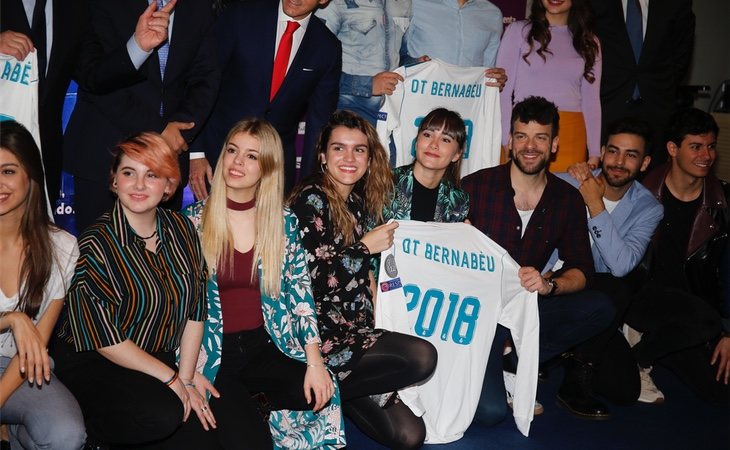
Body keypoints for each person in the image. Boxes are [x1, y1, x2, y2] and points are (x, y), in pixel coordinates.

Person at [183, 118, 345, 449]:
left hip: (266, 344)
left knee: (324, 390)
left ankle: (259, 405)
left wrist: (314, 362)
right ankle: (248, 410)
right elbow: (175, 307)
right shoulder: (191, 223)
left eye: (251, 156)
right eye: (232, 151)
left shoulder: (283, 222)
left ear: (268, 167)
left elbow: (301, 295)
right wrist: (187, 371)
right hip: (215, 355)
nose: (237, 162)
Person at [53, 133, 219, 449]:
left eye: (152, 174)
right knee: (162, 414)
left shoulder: (183, 229)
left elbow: (196, 310)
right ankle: (95, 438)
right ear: (115, 181)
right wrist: (171, 380)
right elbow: (103, 337)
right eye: (129, 173)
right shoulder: (95, 242)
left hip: (155, 359)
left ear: (170, 185)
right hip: (96, 361)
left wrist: (184, 379)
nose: (139, 185)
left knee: (204, 434)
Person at [289, 110, 437, 449]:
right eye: (339, 148)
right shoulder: (309, 199)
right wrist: (363, 249)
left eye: (359, 150)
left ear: (370, 159)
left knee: (410, 436)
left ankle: (335, 392)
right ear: (323, 156)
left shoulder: (356, 200)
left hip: (353, 333)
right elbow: (310, 284)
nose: (349, 157)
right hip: (317, 338)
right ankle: (295, 392)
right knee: (421, 356)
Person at [462, 96, 615, 421]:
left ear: (554, 144)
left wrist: (550, 285)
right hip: (479, 315)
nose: (529, 146)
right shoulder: (476, 187)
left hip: (527, 307)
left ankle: (517, 363)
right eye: (521, 136)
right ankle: (494, 362)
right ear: (510, 141)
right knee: (490, 414)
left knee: (600, 306)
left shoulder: (567, 199)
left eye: (540, 137)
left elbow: (582, 269)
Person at [63, 0, 220, 232]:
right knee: (102, 261)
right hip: (105, 159)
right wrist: (137, 47)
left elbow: (205, 77)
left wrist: (180, 130)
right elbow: (92, 77)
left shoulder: (199, 6)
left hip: (168, 162)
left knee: (159, 262)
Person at [553, 117, 663, 405]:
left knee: (624, 391)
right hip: (549, 286)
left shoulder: (648, 208)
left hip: (595, 298)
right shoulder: (565, 182)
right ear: (601, 152)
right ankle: (571, 371)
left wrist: (594, 203)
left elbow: (621, 265)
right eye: (613, 151)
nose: (618, 161)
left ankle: (576, 358)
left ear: (645, 162)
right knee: (619, 288)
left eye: (631, 155)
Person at [627, 108, 730, 403]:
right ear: (673, 149)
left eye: (710, 146)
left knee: (721, 391)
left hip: (695, 313)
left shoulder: (723, 203)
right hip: (645, 301)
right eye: (696, 146)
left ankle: (659, 344)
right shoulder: (640, 192)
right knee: (704, 321)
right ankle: (639, 356)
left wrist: (729, 333)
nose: (706, 155)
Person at [189, 0, 341, 197]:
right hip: (218, 156)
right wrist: (196, 152)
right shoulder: (241, 15)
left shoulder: (327, 47)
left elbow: (318, 124)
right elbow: (203, 81)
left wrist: (306, 187)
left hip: (274, 170)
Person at [0, 121, 85, 450]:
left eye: (8, 171)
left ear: (30, 175)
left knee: (65, 434)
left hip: (24, 369)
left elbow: (35, 350)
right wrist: (12, 318)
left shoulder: (62, 247)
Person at [588, 0, 695, 169]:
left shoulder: (675, 5)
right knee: (602, 177)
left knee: (652, 180)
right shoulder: (596, 4)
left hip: (656, 108)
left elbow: (680, 58)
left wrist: (658, 88)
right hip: (606, 107)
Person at [497, 0, 602, 172]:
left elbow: (591, 100)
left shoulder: (590, 41)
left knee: (564, 196)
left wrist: (595, 152)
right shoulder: (518, 31)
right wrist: (505, 141)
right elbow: (503, 92)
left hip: (570, 134)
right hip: (525, 127)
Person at [0, 0, 89, 203]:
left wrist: (138, 46)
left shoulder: (75, 7)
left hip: (43, 163)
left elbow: (92, 74)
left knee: (37, 234)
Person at [315, 0, 410, 126]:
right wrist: (368, 85)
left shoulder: (406, 3)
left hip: (391, 113)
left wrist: (416, 64)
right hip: (347, 110)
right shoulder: (334, 3)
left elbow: (400, 55)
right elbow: (315, 68)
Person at [384, 107, 469, 222]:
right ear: (416, 143)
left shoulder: (458, 201)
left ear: (457, 154)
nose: (434, 144)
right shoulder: (384, 183)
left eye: (445, 140)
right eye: (427, 135)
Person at [401, 0, 503, 69]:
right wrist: (415, 63)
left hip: (467, 99)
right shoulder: (414, 4)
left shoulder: (492, 14)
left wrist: (495, 79)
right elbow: (395, 58)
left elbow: (488, 72)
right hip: (419, 96)